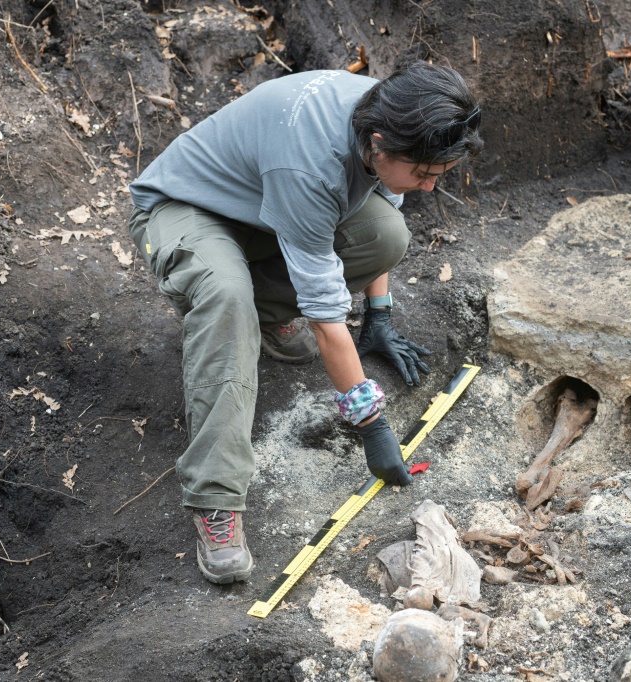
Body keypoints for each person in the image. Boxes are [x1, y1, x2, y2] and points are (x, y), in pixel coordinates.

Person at [127, 62, 482, 584]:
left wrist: (379, 315)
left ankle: (263, 315)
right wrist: (372, 424)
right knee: (226, 295)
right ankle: (215, 497)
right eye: (425, 173)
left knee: (386, 234)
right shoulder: (314, 168)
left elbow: (383, 204)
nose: (429, 186)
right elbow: (325, 318)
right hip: (185, 207)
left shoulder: (397, 111)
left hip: (260, 207)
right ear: (379, 146)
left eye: (439, 174)